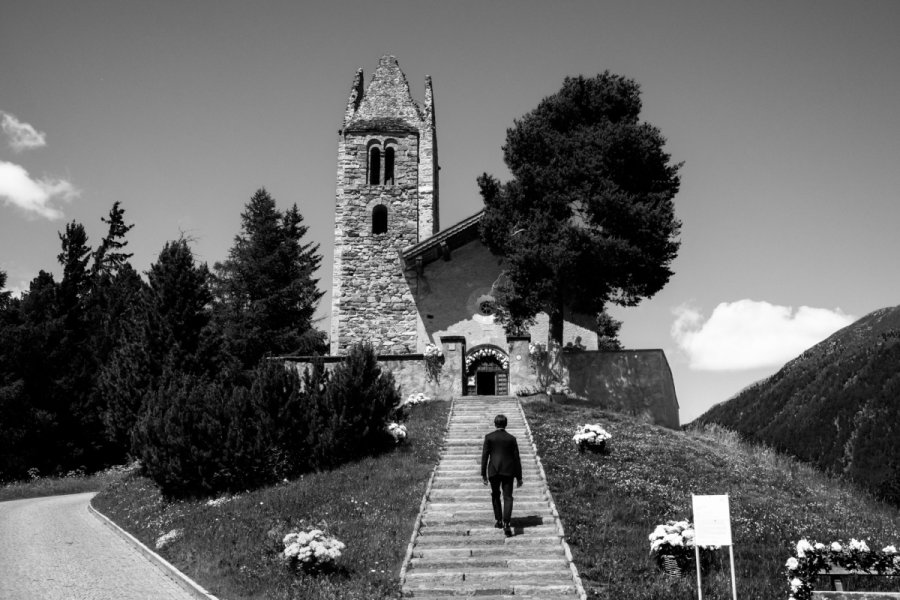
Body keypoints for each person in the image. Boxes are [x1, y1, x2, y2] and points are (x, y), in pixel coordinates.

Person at [481, 413, 523, 537]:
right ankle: (507, 523)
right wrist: (519, 477)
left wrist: (483, 474)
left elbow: (485, 456)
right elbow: (517, 459)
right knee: (508, 497)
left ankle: (499, 520)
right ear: (506, 424)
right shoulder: (511, 438)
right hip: (508, 471)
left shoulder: (489, 437)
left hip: (493, 471)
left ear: (495, 424)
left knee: (495, 495)